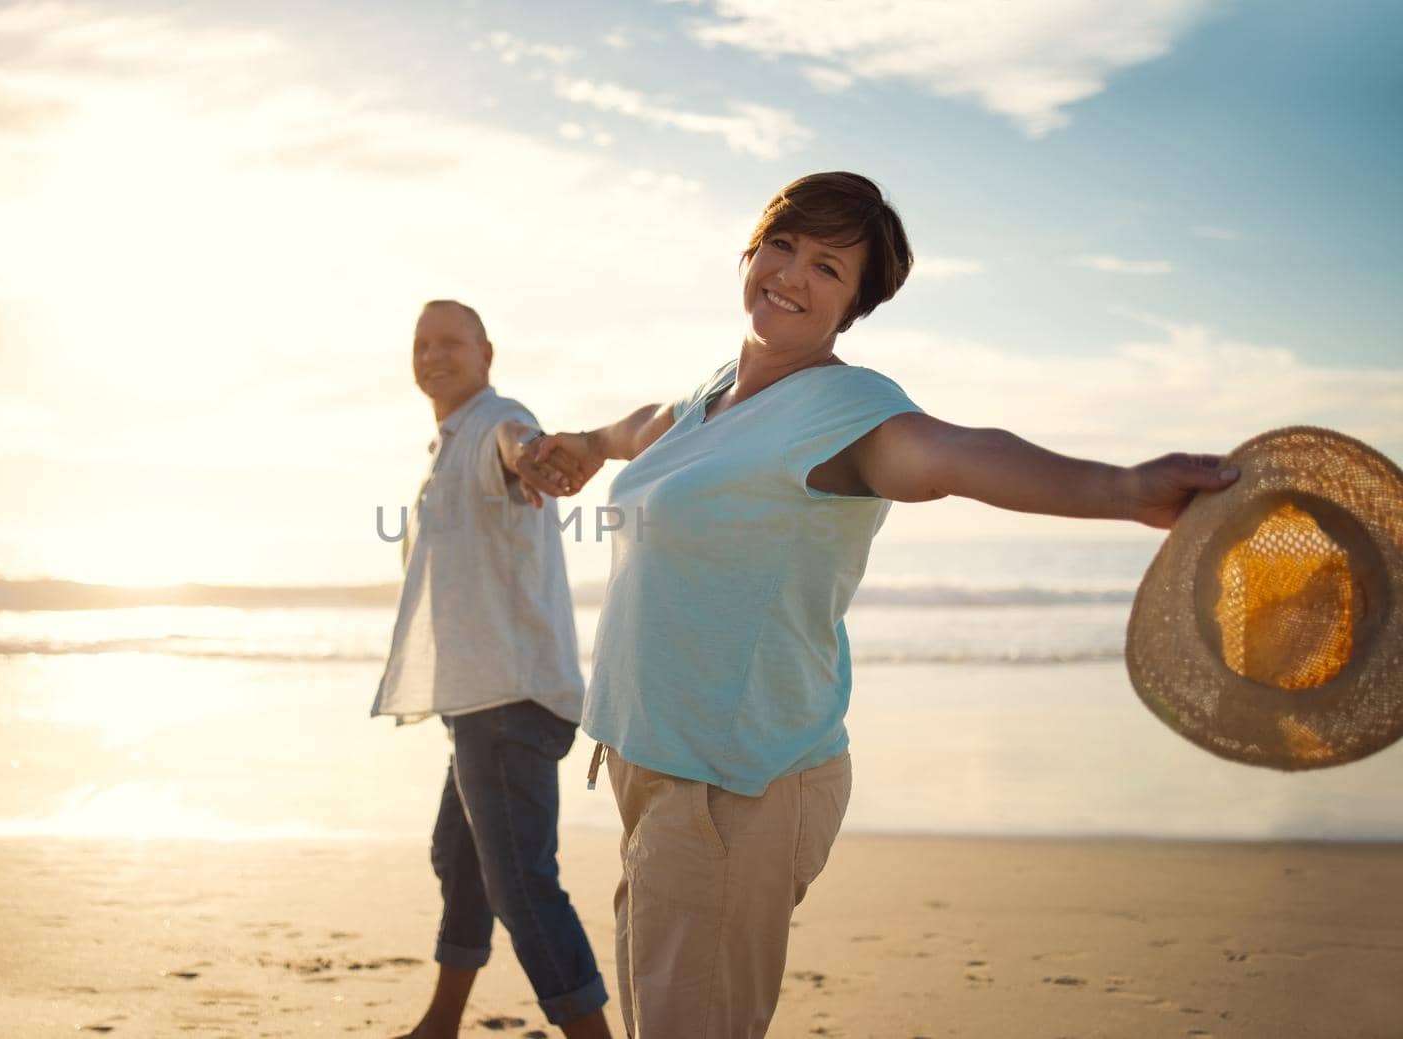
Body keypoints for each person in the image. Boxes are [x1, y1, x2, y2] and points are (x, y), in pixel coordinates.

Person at [529, 172, 1240, 1038]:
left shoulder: (848, 410)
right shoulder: (713, 398)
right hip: (658, 769)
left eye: (829, 267)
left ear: (853, 305)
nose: (792, 273)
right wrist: (585, 445)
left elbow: (955, 455)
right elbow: (642, 425)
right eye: (783, 245)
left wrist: (1122, 487)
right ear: (750, 251)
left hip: (734, 788)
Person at [374, 300, 611, 1039]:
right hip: (480, 699)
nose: (433, 354)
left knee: (522, 883)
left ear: (486, 352)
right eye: (422, 342)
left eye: (451, 341)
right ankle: (441, 1022)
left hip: (511, 699)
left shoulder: (495, 421)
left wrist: (533, 453)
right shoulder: (446, 443)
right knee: (464, 857)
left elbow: (517, 443)